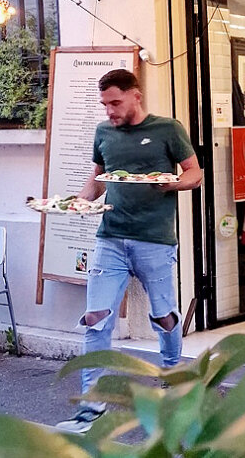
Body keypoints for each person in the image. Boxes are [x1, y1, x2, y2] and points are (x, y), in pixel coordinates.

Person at [56, 69, 202, 433]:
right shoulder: (103, 133)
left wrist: (171, 185)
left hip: (154, 239)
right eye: (104, 104)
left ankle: (172, 376)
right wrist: (78, 202)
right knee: (95, 318)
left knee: (165, 315)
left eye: (115, 102)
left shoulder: (168, 129)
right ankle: (91, 409)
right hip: (111, 238)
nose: (109, 111)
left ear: (136, 95)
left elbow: (195, 174)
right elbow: (98, 178)